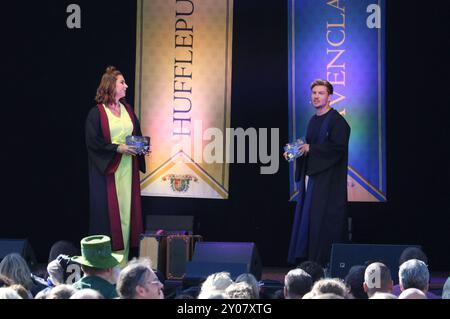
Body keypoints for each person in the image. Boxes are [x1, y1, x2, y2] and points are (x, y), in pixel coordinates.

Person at [85, 66, 148, 264]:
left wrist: (141, 147)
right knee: (110, 218)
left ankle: (123, 265)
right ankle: (106, 268)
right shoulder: (97, 113)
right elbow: (92, 142)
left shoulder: (127, 109)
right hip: (108, 173)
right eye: (122, 82)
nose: (126, 86)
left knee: (127, 218)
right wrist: (117, 148)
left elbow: (135, 134)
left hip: (128, 171)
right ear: (111, 86)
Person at [286, 79, 350, 267]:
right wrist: (295, 151)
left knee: (321, 220)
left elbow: (337, 149)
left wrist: (311, 149)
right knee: (309, 219)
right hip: (312, 179)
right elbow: (309, 145)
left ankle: (320, 262)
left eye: (321, 93)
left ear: (330, 97)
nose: (316, 96)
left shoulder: (338, 122)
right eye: (314, 93)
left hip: (328, 182)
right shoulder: (313, 120)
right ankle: (307, 260)